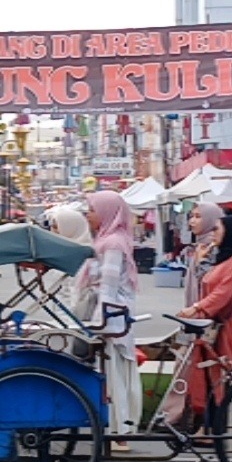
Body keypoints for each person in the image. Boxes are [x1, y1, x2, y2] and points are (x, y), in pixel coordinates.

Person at [173, 206, 232, 435]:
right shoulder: (221, 257)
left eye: (217, 229)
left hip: (231, 326)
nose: (213, 234)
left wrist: (197, 308)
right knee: (211, 377)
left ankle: (224, 429)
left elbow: (223, 294)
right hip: (214, 325)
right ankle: (208, 427)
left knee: (227, 377)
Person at [86, 191, 143, 448]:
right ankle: (116, 429)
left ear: (107, 212)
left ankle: (121, 432)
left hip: (113, 319)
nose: (88, 215)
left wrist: (99, 323)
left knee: (115, 374)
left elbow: (108, 287)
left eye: (92, 210)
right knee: (111, 374)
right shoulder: (106, 239)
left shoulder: (113, 244)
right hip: (111, 317)